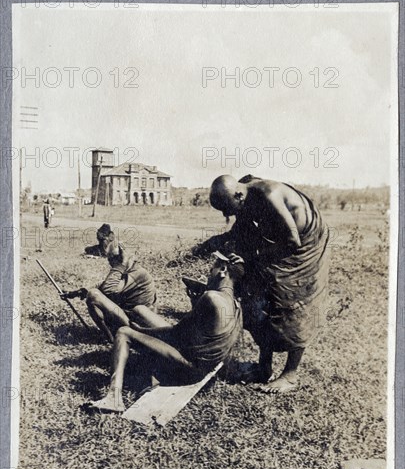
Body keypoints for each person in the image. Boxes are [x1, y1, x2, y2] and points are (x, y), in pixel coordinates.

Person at [194, 174, 330, 394]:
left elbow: (292, 241)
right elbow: (241, 231)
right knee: (256, 295)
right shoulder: (244, 194)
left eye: (228, 208)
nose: (227, 215)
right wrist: (212, 244)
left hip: (304, 247)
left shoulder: (269, 194)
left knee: (293, 304)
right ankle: (263, 366)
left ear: (238, 195)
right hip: (280, 243)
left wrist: (253, 257)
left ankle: (290, 374)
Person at [90, 252, 244, 412]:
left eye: (211, 269)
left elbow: (176, 333)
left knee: (123, 332)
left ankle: (114, 398)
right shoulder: (236, 305)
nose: (208, 274)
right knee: (141, 311)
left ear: (223, 270)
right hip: (207, 367)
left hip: (191, 369)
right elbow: (202, 333)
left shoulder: (210, 297)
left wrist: (141, 332)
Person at [68, 241, 157, 342]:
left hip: (139, 326)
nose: (110, 263)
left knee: (93, 296)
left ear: (124, 257)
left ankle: (110, 338)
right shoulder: (131, 269)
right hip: (133, 319)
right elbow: (104, 284)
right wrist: (81, 291)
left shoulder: (137, 272)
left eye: (114, 259)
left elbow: (108, 289)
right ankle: (111, 335)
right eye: (109, 259)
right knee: (92, 292)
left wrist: (121, 265)